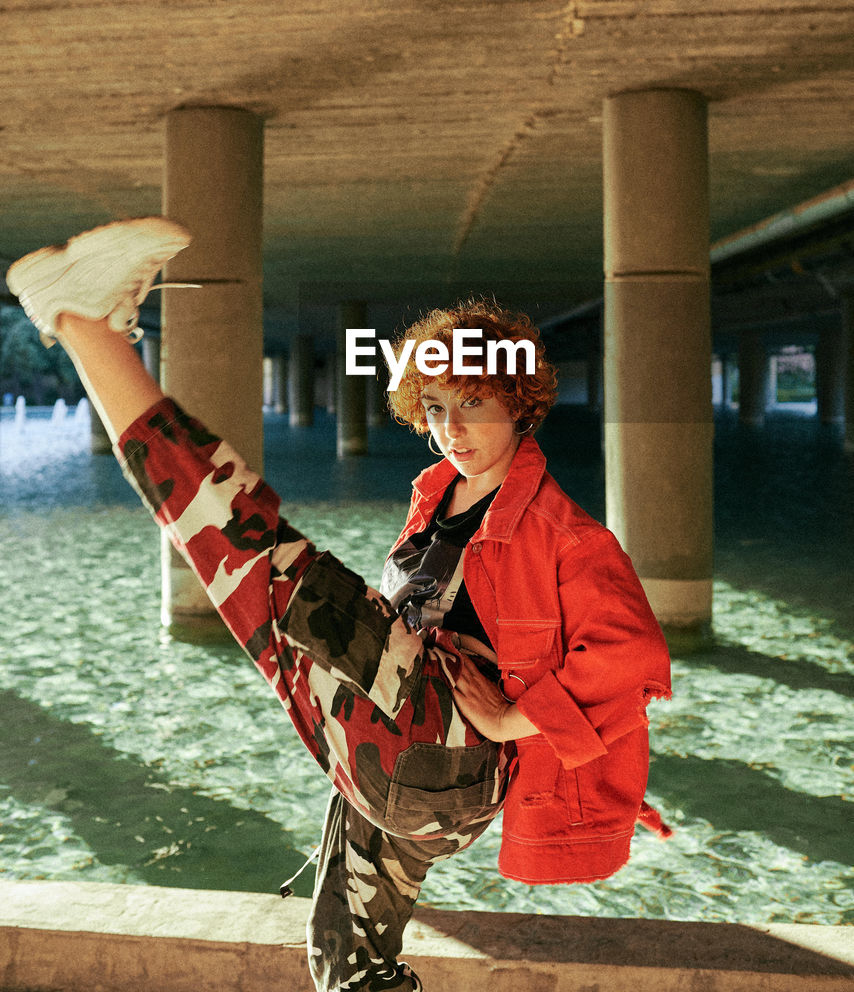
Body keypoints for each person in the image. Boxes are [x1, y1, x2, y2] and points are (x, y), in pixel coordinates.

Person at [6, 217, 671, 992]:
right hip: (410, 776)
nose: (452, 428)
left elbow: (630, 664)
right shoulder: (436, 503)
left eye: (475, 401)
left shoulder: (570, 536)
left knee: (260, 552)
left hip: (449, 753)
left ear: (521, 403)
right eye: (436, 406)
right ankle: (84, 326)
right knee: (348, 958)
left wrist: (508, 720)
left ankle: (84, 323)